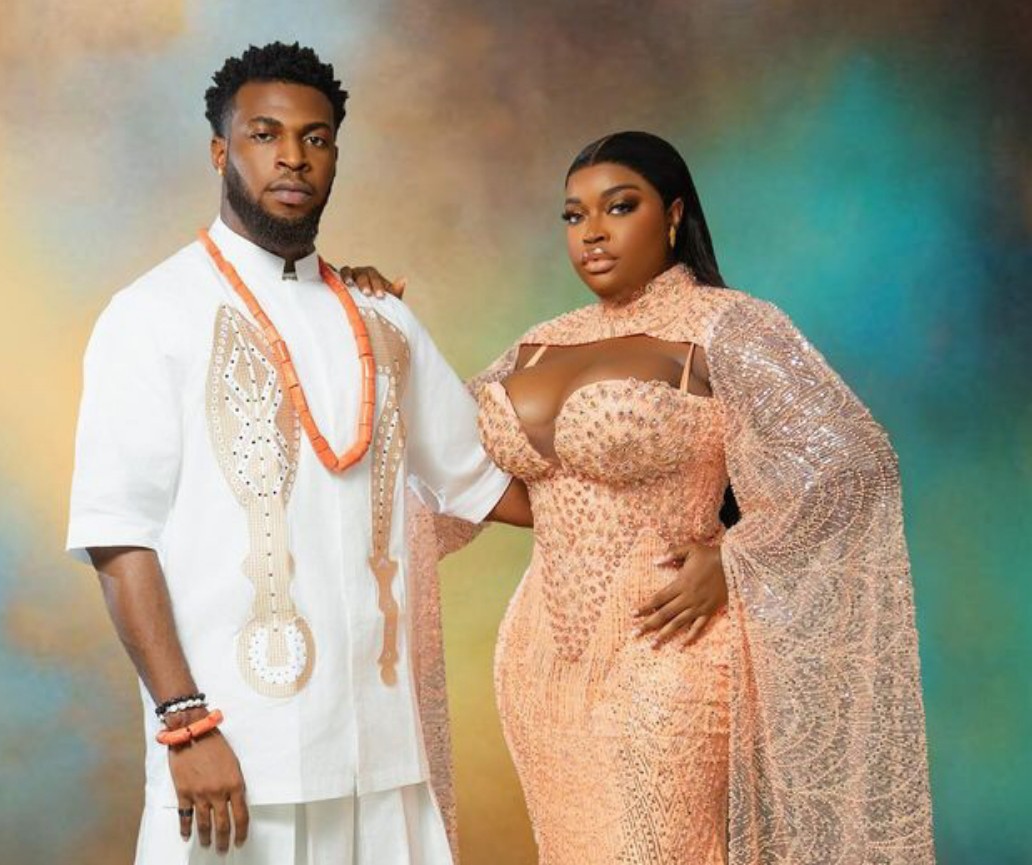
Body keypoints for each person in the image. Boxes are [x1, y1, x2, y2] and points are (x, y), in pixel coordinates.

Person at [384, 131, 934, 864]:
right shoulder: (540, 343)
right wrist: (377, 330)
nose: (593, 232)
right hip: (540, 660)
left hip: (669, 646)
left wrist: (733, 556)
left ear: (673, 215)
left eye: (619, 207)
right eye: (574, 215)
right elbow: (453, 472)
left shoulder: (725, 325)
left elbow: (853, 464)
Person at [66, 42, 529, 864]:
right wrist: (184, 722)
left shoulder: (383, 319)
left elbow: (483, 485)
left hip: (382, 765)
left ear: (336, 157)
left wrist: (680, 510)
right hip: (234, 761)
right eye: (265, 134)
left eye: (315, 138)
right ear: (221, 152)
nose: (293, 156)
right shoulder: (151, 314)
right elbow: (117, 536)